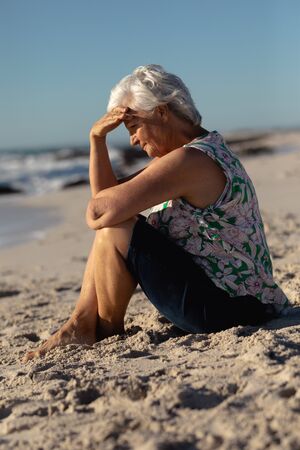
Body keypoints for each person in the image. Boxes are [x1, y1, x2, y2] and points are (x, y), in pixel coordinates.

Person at [24, 64, 289, 361]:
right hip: (237, 302)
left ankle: (94, 327)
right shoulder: (199, 152)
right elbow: (105, 200)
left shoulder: (190, 161)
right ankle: (83, 324)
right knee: (115, 221)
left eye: (133, 126)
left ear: (162, 112)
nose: (133, 140)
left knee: (117, 226)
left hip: (227, 309)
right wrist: (96, 140)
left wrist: (98, 151)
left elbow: (99, 212)